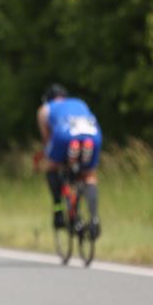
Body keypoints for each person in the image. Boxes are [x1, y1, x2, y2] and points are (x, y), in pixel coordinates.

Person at [37, 84, 102, 237]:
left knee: (51, 166)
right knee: (89, 176)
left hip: (64, 136)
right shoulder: (79, 102)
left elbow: (47, 139)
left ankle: (58, 211)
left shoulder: (45, 109)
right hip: (92, 135)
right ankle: (94, 218)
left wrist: (50, 157)